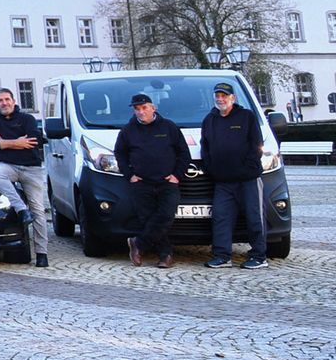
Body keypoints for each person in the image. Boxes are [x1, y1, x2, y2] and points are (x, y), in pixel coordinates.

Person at [114, 92, 191, 269]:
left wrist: (177, 175)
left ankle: (138, 243)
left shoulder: (169, 127)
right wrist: (129, 175)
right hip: (141, 183)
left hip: (167, 182)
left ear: (153, 108)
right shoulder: (128, 130)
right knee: (148, 219)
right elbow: (120, 154)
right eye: (137, 109)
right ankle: (165, 255)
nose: (141, 112)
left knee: (166, 216)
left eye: (144, 108)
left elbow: (183, 153)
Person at [199, 82, 268, 270]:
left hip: (248, 179)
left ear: (233, 98)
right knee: (221, 218)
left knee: (255, 217)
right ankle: (222, 256)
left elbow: (256, 144)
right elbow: (205, 147)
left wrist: (248, 167)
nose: (220, 99)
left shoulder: (247, 116)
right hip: (223, 181)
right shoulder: (209, 120)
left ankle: (259, 256)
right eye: (217, 96)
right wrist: (211, 168)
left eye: (224, 96)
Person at [0, 87, 51, 268]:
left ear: (13, 101)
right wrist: (18, 141)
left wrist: (3, 142)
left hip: (31, 168)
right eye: (0, 100)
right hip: (8, 166)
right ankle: (21, 210)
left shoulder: (27, 119)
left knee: (38, 210)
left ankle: (42, 253)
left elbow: (33, 141)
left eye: (7, 99)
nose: (4, 103)